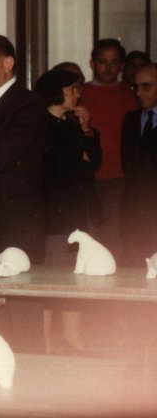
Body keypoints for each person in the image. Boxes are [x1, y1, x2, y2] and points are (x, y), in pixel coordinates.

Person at [0, 34, 47, 353]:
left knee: (22, 316)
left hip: (18, 226)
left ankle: (35, 393)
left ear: (8, 62)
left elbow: (0, 155)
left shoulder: (27, 104)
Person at [34, 68, 102, 354]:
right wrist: (81, 160)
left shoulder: (71, 124)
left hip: (76, 214)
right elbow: (68, 168)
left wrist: (86, 130)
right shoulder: (43, 126)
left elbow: (92, 162)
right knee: (52, 280)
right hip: (55, 218)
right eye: (72, 89)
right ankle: (46, 344)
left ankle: (73, 336)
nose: (78, 94)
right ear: (57, 91)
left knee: (75, 278)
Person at [80, 38, 138, 259]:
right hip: (88, 176)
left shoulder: (129, 95)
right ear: (92, 64)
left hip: (119, 177)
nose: (108, 68)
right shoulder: (82, 92)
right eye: (102, 62)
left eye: (114, 63)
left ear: (122, 66)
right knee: (88, 235)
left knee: (113, 236)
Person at [120, 64, 157, 266]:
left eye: (147, 87)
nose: (140, 93)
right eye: (136, 87)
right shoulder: (131, 120)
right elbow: (129, 165)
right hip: (134, 210)